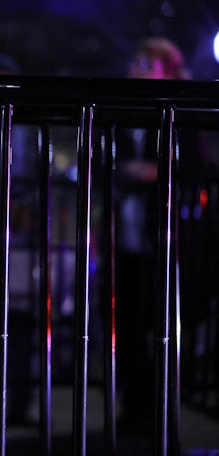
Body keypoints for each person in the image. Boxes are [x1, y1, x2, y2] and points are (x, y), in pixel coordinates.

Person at [116, 36, 191, 435]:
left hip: (164, 236)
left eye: (148, 66)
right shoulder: (121, 112)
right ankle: (133, 407)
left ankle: (163, 408)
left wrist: (158, 173)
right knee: (129, 322)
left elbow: (192, 166)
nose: (137, 70)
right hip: (127, 235)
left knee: (159, 324)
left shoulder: (180, 114)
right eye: (136, 62)